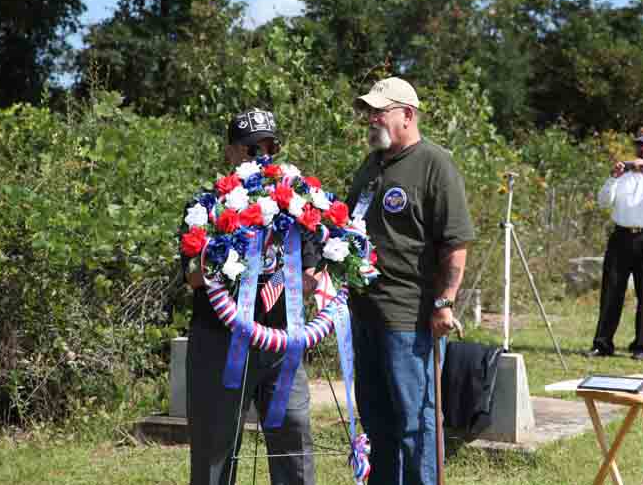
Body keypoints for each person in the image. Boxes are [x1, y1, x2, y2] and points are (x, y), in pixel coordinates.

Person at [347, 77, 475, 485]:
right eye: (369, 110)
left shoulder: (435, 164)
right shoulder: (371, 165)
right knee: (376, 419)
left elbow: (455, 242)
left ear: (407, 114)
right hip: (364, 313)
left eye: (379, 110)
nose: (371, 118)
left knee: (414, 420)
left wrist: (445, 302)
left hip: (409, 319)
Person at [180, 108, 318, 485]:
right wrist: (219, 251)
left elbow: (312, 270)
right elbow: (192, 277)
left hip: (280, 345)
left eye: (270, 146)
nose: (262, 155)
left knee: (295, 440)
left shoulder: (293, 209)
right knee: (215, 450)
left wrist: (314, 280)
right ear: (231, 153)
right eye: (252, 147)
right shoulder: (207, 208)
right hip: (221, 346)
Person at [586, 125, 643, 361]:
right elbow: (603, 202)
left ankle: (640, 346)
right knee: (611, 291)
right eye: (639, 144)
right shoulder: (624, 172)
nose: (642, 149)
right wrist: (612, 178)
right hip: (621, 236)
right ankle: (602, 343)